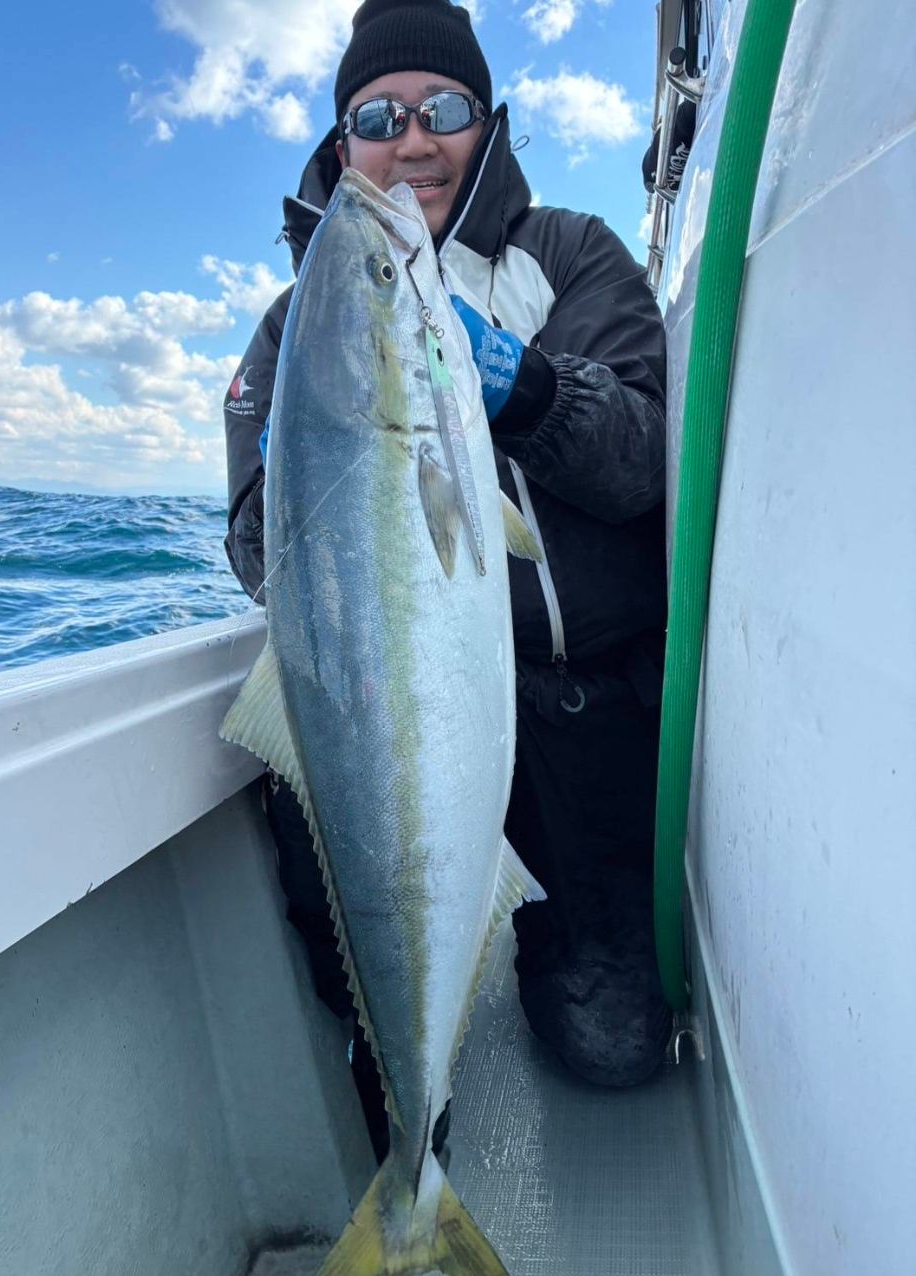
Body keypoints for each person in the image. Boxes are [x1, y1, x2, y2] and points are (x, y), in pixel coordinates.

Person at [224, 0, 671, 1158]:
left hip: (584, 704)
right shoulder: (293, 329)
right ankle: (409, 1130)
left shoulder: (571, 254)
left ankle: (536, 934)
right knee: (313, 818)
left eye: (444, 109)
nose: (411, 139)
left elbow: (643, 462)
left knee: (614, 1045)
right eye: (377, 115)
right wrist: (301, 484)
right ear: (340, 146)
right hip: (407, 693)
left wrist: (525, 390)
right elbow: (248, 545)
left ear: (490, 121)